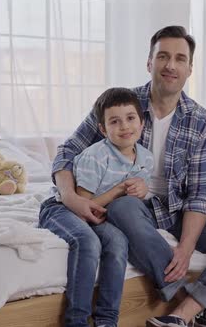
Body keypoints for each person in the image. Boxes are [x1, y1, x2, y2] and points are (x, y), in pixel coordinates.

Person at [51, 26, 206, 327]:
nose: (170, 65)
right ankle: (194, 305)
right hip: (132, 204)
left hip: (177, 209)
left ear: (190, 69)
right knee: (123, 204)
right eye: (163, 56)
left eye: (180, 58)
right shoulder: (120, 104)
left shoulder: (201, 120)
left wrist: (186, 247)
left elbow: (202, 195)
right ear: (149, 62)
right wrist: (69, 196)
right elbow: (68, 149)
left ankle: (186, 312)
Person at [39, 87, 153, 327]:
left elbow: (140, 194)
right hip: (64, 208)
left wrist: (142, 188)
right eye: (115, 121)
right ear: (103, 129)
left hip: (98, 215)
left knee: (119, 242)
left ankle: (106, 320)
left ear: (142, 123)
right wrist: (119, 190)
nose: (125, 126)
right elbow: (83, 206)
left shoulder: (145, 158)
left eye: (131, 118)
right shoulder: (96, 157)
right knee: (87, 241)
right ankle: (77, 320)